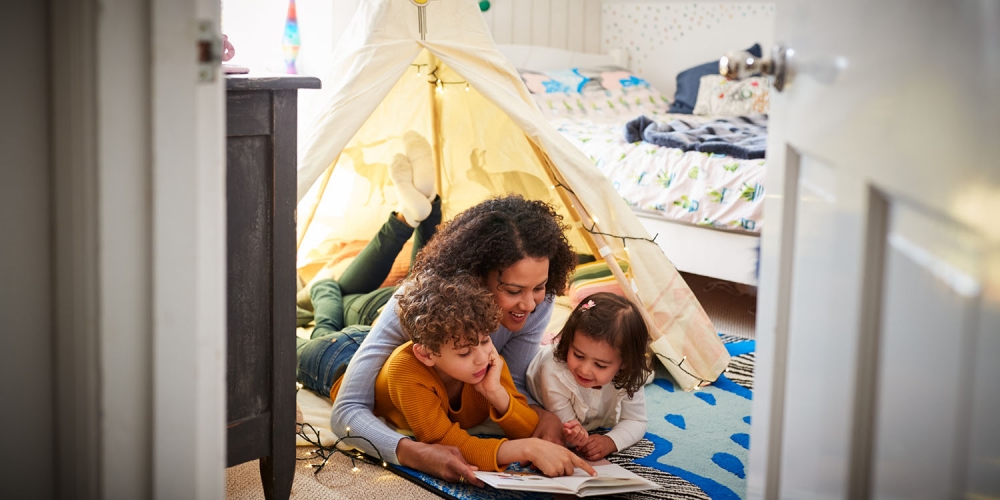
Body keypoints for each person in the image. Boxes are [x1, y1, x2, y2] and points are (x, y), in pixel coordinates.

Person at [329, 151, 578, 484]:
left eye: (539, 287)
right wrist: (412, 452)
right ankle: (329, 286)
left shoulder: (537, 301)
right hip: (350, 341)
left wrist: (540, 418)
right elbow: (347, 410)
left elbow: (510, 384)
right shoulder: (413, 302)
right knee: (333, 302)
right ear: (476, 276)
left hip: (428, 370)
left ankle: (420, 211)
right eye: (513, 290)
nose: (530, 305)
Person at [328, 271, 595, 479]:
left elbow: (527, 426)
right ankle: (324, 288)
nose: (481, 357)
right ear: (426, 354)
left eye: (484, 341)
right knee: (310, 337)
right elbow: (443, 440)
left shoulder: (489, 362)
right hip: (338, 358)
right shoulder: (408, 371)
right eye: (464, 352)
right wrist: (525, 449)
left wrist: (496, 393)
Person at [296, 134, 442, 397]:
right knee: (330, 287)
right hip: (393, 307)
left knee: (424, 278)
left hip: (394, 304)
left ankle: (420, 211)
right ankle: (409, 216)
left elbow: (326, 288)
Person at [526, 292, 653, 461]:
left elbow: (637, 421)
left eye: (600, 365)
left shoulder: (631, 374)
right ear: (569, 342)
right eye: (578, 355)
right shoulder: (553, 371)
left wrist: (610, 441)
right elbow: (565, 430)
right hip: (537, 370)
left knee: (645, 375)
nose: (585, 370)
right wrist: (574, 434)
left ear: (625, 362)